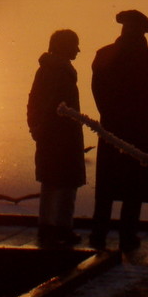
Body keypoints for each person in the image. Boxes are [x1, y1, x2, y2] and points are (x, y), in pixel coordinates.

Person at [89, 9, 148, 252]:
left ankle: (99, 233)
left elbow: (97, 91)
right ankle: (127, 234)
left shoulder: (104, 54)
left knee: (107, 185)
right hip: (140, 127)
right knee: (134, 184)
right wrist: (136, 113)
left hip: (112, 124)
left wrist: (109, 113)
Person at [27, 29, 86, 247]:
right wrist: (39, 127)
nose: (78, 50)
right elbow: (44, 103)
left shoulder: (48, 70)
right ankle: (57, 228)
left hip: (55, 135)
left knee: (57, 181)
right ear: (63, 46)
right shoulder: (57, 72)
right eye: (75, 45)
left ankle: (53, 226)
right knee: (61, 182)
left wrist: (35, 127)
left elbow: (33, 101)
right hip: (59, 137)